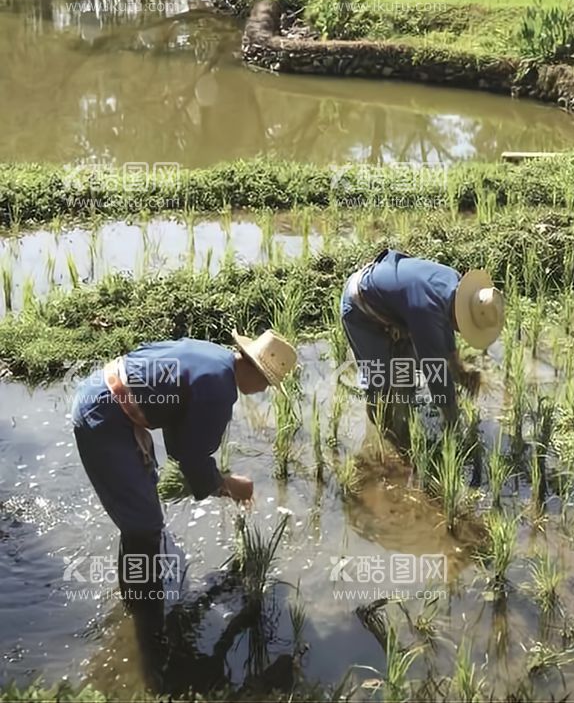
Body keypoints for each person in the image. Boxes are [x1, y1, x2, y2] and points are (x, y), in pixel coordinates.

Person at [70, 329, 297, 688]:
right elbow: (192, 458)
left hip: (101, 397)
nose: (266, 389)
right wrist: (227, 484)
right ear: (253, 369)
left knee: (141, 520)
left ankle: (137, 609)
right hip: (106, 418)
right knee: (143, 528)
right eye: (268, 381)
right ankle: (149, 643)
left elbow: (179, 444)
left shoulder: (211, 358)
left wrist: (211, 478)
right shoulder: (220, 389)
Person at [340, 249, 504, 447]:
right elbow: (436, 373)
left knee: (405, 376)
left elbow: (444, 332)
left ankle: (403, 420)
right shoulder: (428, 313)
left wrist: (459, 371)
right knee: (380, 383)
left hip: (395, 305)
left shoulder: (453, 284)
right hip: (360, 308)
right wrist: (452, 421)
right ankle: (383, 436)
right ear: (461, 314)